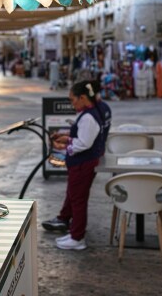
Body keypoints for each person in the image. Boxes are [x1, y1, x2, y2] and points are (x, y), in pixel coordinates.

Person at [42, 79, 112, 250]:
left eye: (73, 100)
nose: (72, 104)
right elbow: (87, 137)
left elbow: (84, 143)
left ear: (82, 97)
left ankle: (77, 238)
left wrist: (64, 145)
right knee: (75, 196)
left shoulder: (88, 117)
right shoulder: (101, 108)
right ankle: (71, 228)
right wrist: (68, 137)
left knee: (78, 200)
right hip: (88, 160)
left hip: (83, 163)